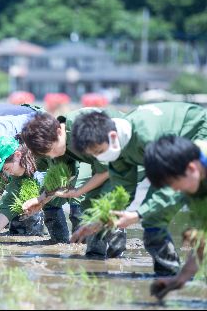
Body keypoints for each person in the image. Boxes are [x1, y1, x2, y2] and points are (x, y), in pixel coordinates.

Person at [69, 102, 207, 276]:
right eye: (94, 155)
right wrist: (101, 219)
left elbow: (170, 186)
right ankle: (168, 274)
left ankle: (174, 274)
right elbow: (122, 191)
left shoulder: (147, 138)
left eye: (99, 151)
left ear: (112, 136)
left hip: (197, 130)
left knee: (159, 209)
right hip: (171, 149)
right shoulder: (118, 148)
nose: (99, 158)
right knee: (151, 216)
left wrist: (138, 214)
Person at [20, 110, 127, 257]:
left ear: (59, 131)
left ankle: (116, 252)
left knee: (106, 200)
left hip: (125, 155)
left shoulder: (82, 128)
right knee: (90, 205)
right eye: (47, 154)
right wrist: (40, 200)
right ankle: (94, 258)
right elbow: (62, 176)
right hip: (103, 164)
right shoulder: (57, 144)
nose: (52, 155)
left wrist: (79, 191)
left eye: (51, 150)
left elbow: (106, 171)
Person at [143, 135, 207, 299]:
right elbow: (203, 243)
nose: (176, 191)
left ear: (191, 169)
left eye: (175, 185)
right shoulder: (195, 185)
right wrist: (181, 278)